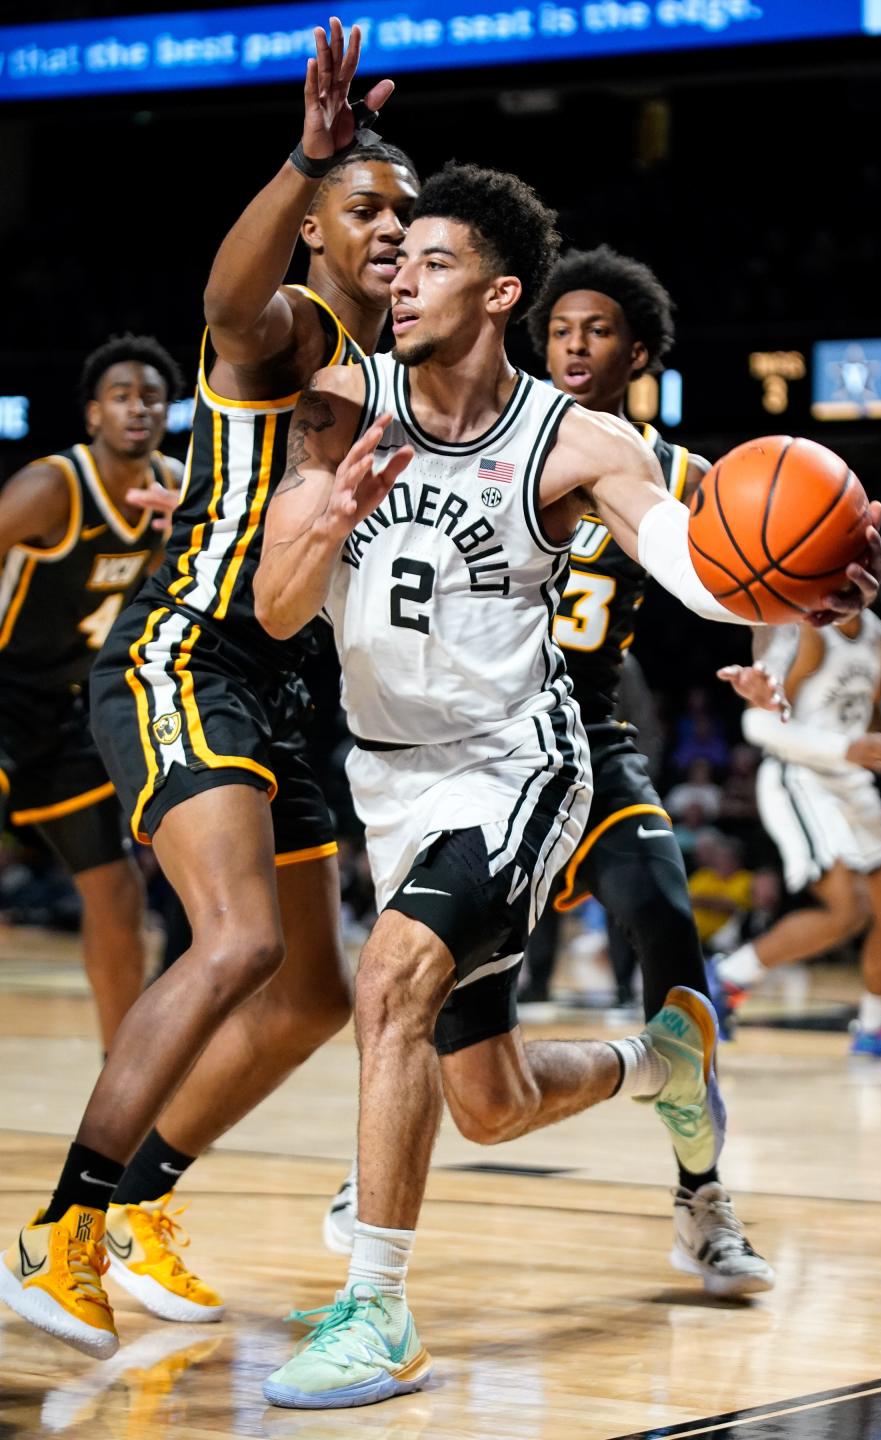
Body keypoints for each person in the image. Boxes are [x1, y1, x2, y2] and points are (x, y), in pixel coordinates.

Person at [252, 162, 881, 1409]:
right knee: (484, 1101)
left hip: (517, 764)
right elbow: (278, 612)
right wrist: (332, 514)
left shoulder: (574, 438)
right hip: (388, 779)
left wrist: (786, 592)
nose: (399, 275)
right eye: (395, 259)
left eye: (431, 261)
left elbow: (695, 564)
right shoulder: (337, 402)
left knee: (389, 983)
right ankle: (663, 1067)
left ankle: (378, 1310)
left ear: (498, 293)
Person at [0, 21, 416, 1359]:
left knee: (306, 994)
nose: (391, 232)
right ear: (312, 228)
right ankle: (59, 1234)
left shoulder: (390, 373)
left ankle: (139, 1204)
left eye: (407, 216)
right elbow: (229, 305)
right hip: (187, 655)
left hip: (289, 687)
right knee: (233, 943)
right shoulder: (285, 335)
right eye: (366, 209)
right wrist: (308, 157)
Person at [496, 244, 773, 1295]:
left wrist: (784, 648)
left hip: (592, 730)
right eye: (560, 326)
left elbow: (757, 580)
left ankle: (703, 1203)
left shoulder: (686, 476)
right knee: (446, 977)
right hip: (480, 742)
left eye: (598, 329)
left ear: (638, 352)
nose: (573, 341)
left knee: (668, 929)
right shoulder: (493, 439)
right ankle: (376, 1172)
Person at [0, 335, 182, 1050]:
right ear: (92, 416)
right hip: (3, 683)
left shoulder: (171, 489)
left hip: (62, 705)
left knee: (114, 888)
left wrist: (179, 540)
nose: (138, 408)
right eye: (121, 397)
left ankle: (122, 1069)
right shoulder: (52, 487)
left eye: (151, 397)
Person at [714, 615, 881, 1055]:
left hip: (850, 779)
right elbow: (758, 726)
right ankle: (724, 979)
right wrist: (844, 748)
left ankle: (876, 1027)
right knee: (847, 908)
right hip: (801, 777)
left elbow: (875, 705)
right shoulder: (809, 633)